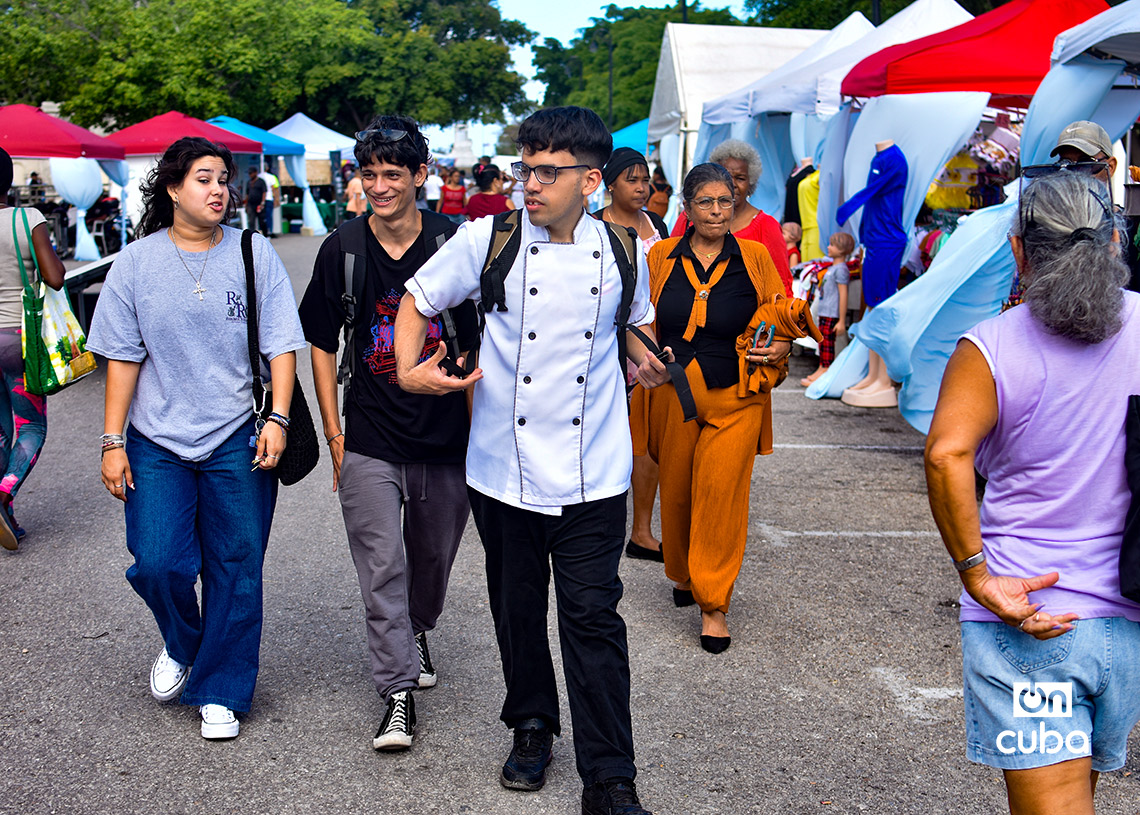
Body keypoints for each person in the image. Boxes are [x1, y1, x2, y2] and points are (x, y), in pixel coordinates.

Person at [394, 106, 663, 815]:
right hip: (503, 466)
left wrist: (650, 363)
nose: (530, 183)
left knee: (592, 617)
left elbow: (633, 329)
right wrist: (407, 367)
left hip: (594, 471)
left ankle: (610, 776)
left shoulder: (624, 250)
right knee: (517, 607)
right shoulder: (491, 238)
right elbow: (417, 300)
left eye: (548, 171)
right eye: (526, 167)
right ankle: (532, 723)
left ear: (591, 180)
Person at [925, 172, 1140, 815]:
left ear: (1019, 251)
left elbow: (946, 454)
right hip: (1125, 620)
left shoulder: (991, 346)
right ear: (1112, 245)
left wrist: (976, 573)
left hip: (1029, 615)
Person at [86, 136, 306, 740]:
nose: (219, 191)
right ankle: (185, 645)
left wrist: (279, 418)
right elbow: (124, 358)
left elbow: (280, 343)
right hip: (157, 440)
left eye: (223, 180)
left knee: (237, 565)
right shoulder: (135, 262)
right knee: (158, 562)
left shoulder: (252, 252)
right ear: (173, 188)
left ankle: (222, 689)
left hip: (238, 432)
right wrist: (112, 441)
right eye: (204, 179)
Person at [298, 115, 478, 753]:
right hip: (370, 433)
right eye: (368, 174)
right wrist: (333, 429)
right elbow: (320, 343)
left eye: (392, 175)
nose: (378, 186)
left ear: (420, 176)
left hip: (445, 437)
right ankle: (396, 694)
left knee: (431, 562)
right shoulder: (342, 249)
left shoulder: (455, 243)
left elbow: (487, 336)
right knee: (381, 569)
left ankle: (418, 628)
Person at [631, 163, 797, 653]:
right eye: (706, 202)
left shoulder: (756, 255)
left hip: (739, 395)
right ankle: (683, 575)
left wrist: (783, 348)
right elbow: (637, 319)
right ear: (687, 207)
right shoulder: (659, 255)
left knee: (721, 492)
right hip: (673, 393)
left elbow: (780, 315)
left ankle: (714, 604)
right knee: (678, 490)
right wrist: (645, 361)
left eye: (725, 201)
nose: (718, 211)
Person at [590, 147, 669, 562]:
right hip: (606, 341)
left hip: (650, 340)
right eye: (632, 179)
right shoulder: (592, 226)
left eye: (645, 179)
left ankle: (641, 529)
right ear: (610, 183)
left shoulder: (657, 224)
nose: (641, 187)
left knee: (646, 435)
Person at [0, 148, 65, 550]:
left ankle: (8, 516)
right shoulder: (28, 220)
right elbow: (55, 277)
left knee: (0, 431)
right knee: (31, 427)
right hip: (16, 343)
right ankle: (4, 492)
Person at [671, 140, 793, 296]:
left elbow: (781, 286)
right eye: (726, 176)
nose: (732, 184)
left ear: (751, 183)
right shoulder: (689, 216)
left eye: (740, 178)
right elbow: (670, 264)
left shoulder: (767, 226)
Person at [800, 231, 853, 387]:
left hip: (832, 313)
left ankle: (826, 367)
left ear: (842, 250)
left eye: (832, 245)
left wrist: (842, 320)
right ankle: (822, 366)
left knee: (828, 342)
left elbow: (843, 294)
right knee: (822, 341)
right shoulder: (832, 268)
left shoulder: (841, 270)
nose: (828, 247)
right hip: (825, 311)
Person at [259, 161, 280, 238]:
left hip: (260, 200)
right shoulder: (272, 177)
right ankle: (269, 231)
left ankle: (262, 231)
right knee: (269, 217)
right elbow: (274, 189)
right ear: (267, 168)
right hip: (269, 199)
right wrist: (276, 199)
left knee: (261, 217)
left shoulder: (258, 177)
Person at [244, 166, 266, 234]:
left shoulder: (261, 181)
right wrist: (246, 204)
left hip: (259, 204)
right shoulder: (249, 182)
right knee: (251, 221)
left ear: (255, 173)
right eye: (249, 173)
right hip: (251, 204)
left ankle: (265, 234)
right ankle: (252, 235)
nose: (250, 175)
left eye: (251, 173)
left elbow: (264, 192)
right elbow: (247, 194)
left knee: (261, 220)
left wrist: (262, 202)